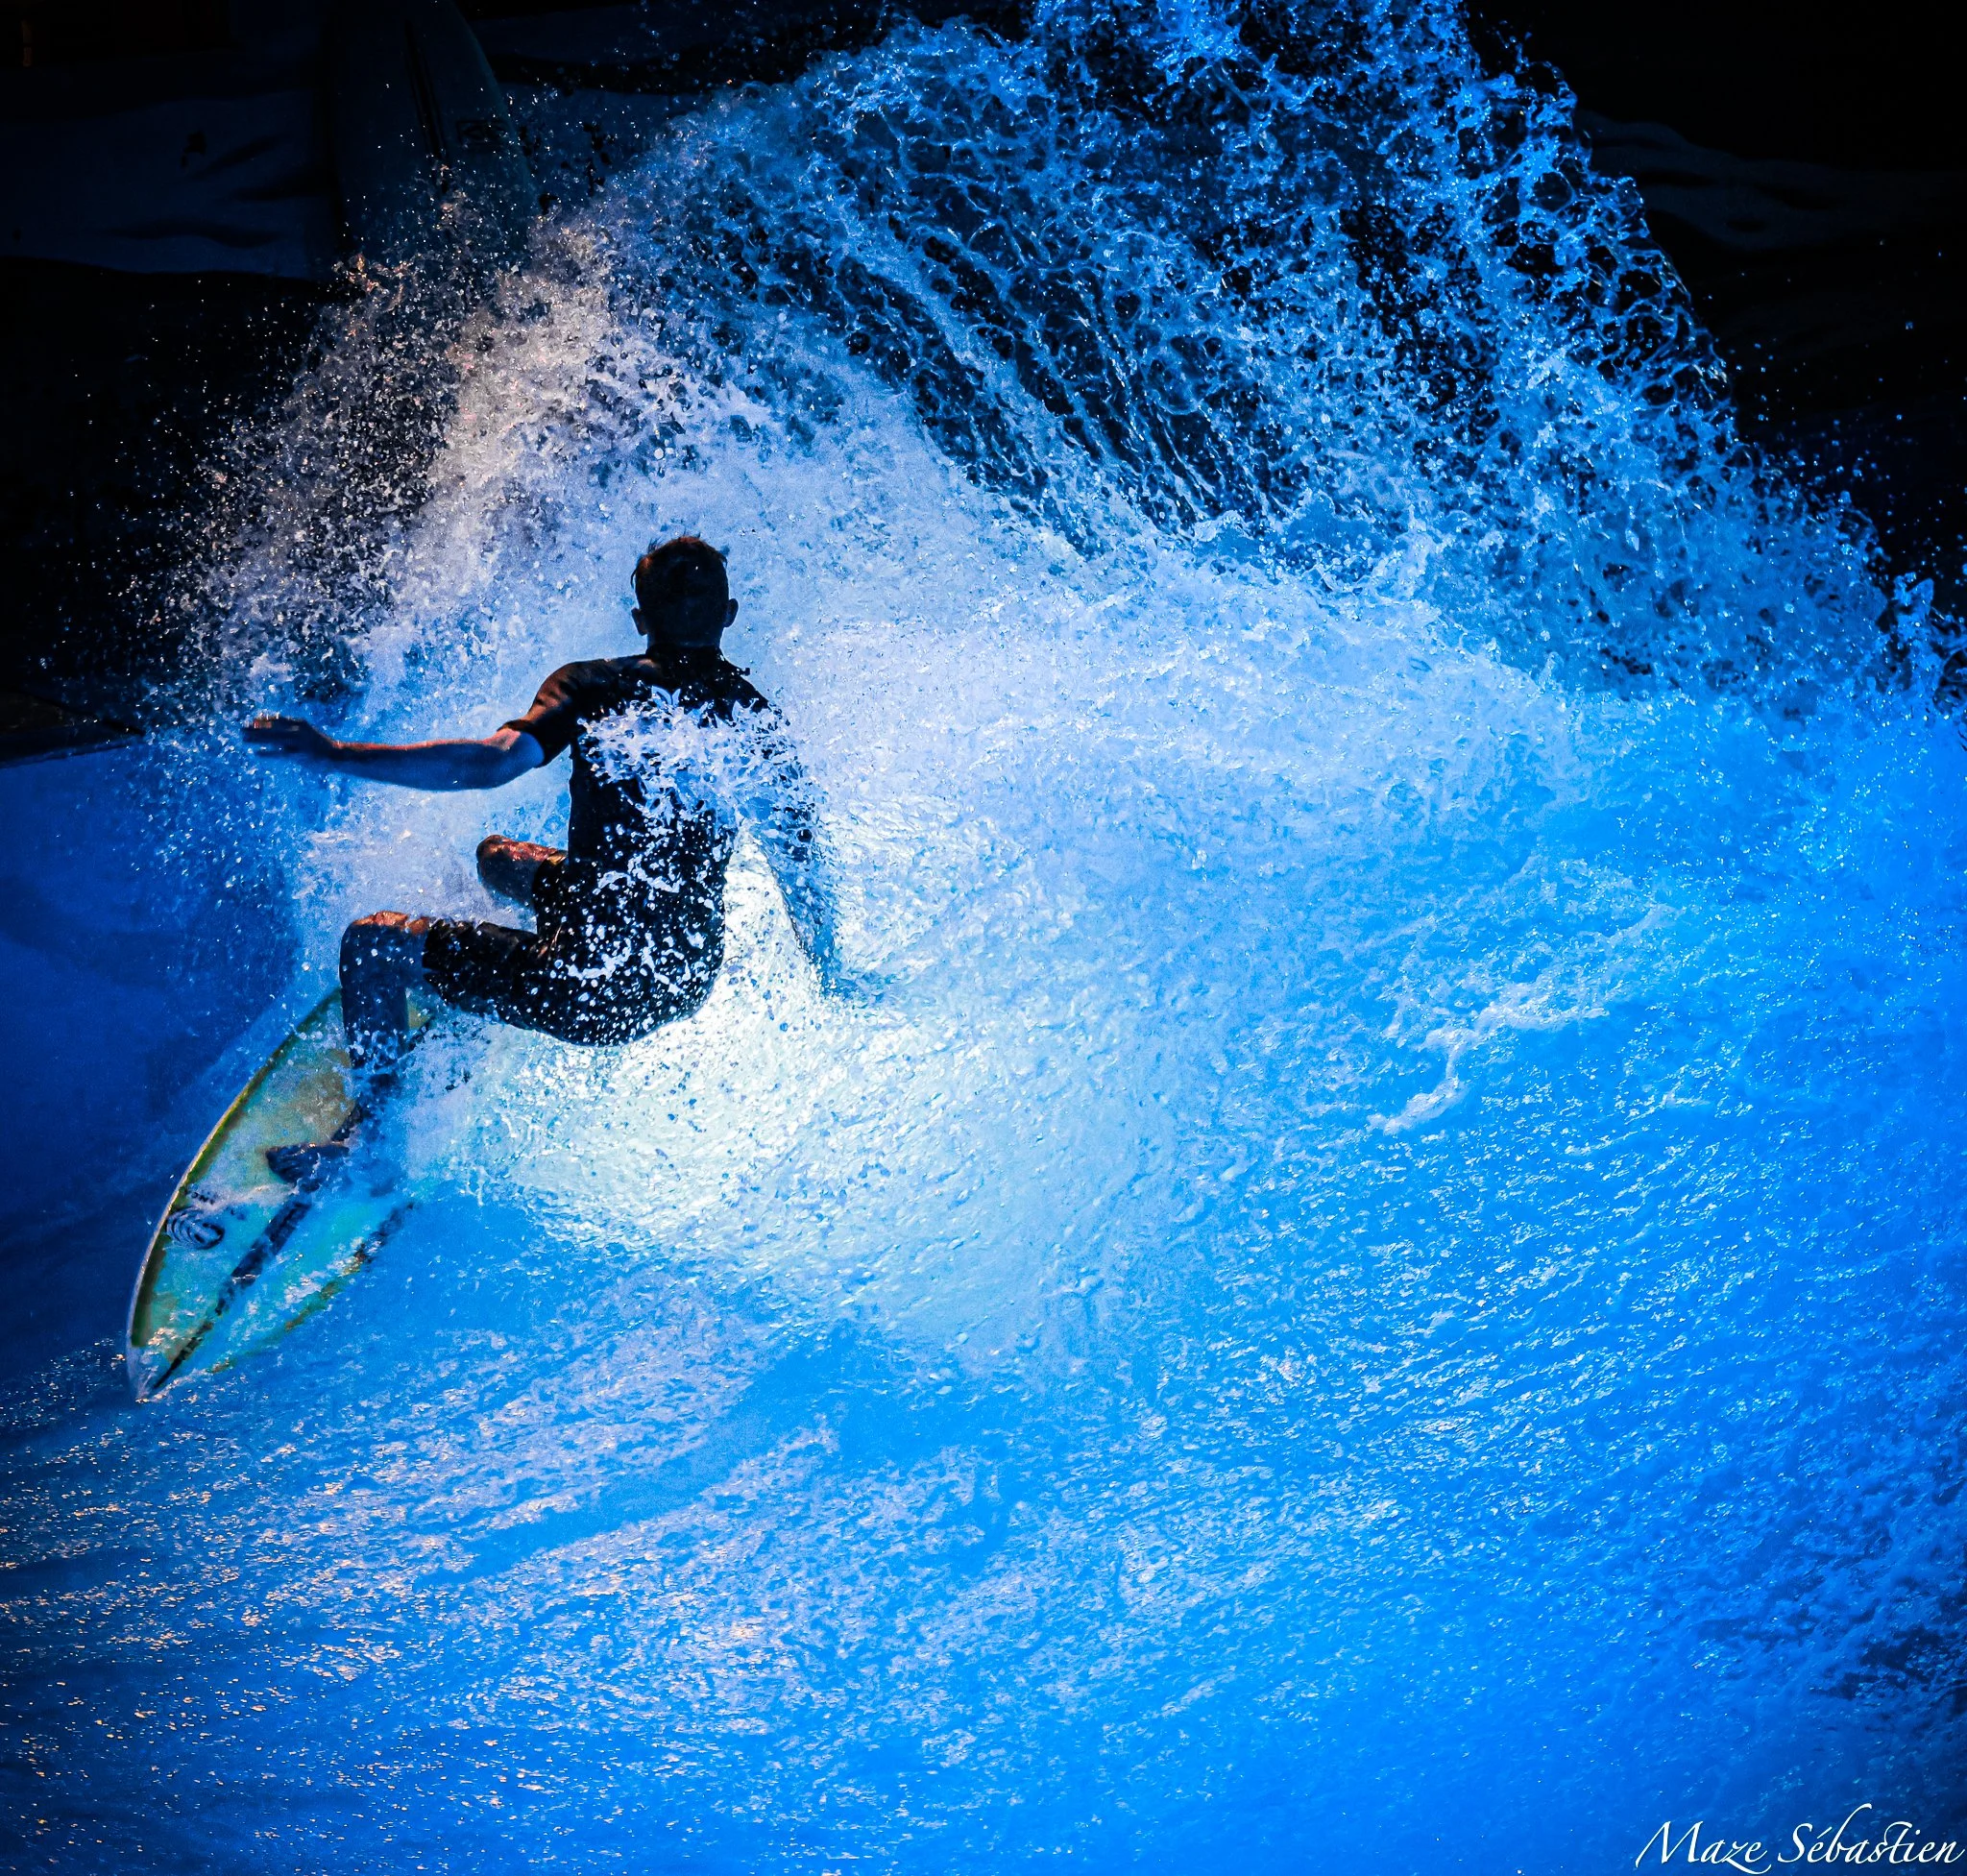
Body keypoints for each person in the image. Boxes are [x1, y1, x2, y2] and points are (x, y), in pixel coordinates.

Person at [246, 535, 865, 1183]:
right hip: (683, 977)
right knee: (498, 859)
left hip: (588, 991)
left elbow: (488, 763)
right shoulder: (755, 722)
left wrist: (337, 754)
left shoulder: (594, 686)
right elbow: (802, 869)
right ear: (730, 615)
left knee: (370, 944)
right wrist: (833, 976)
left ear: (639, 621)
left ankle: (372, 1155)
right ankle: (479, 972)